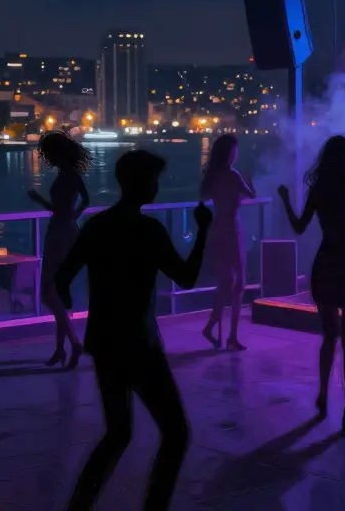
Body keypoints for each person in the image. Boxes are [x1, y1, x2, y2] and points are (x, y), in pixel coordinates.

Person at [56, 150, 212, 511]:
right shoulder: (148, 231)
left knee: (117, 432)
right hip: (140, 344)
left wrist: (76, 300)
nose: (157, 187)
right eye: (154, 179)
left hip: (104, 341)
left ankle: (79, 505)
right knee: (175, 432)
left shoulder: (97, 225)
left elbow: (62, 278)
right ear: (141, 182)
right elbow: (187, 278)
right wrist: (203, 230)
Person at [277, 134, 345, 434]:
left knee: (329, 337)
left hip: (326, 263)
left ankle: (324, 394)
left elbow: (300, 226)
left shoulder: (319, 191)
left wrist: (285, 200)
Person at [28, 131, 90, 368]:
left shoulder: (66, 176)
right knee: (58, 291)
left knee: (48, 291)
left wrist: (38, 200)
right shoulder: (72, 174)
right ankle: (61, 349)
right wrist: (75, 216)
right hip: (69, 229)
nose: (48, 158)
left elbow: (59, 209)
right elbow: (86, 200)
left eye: (49, 153)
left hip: (59, 232)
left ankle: (74, 343)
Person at [199, 133, 256, 351]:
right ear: (231, 153)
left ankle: (212, 326)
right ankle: (231, 335)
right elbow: (250, 194)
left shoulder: (213, 175)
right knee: (239, 283)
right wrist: (249, 181)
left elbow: (205, 195)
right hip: (233, 230)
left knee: (225, 282)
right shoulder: (233, 174)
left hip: (217, 229)